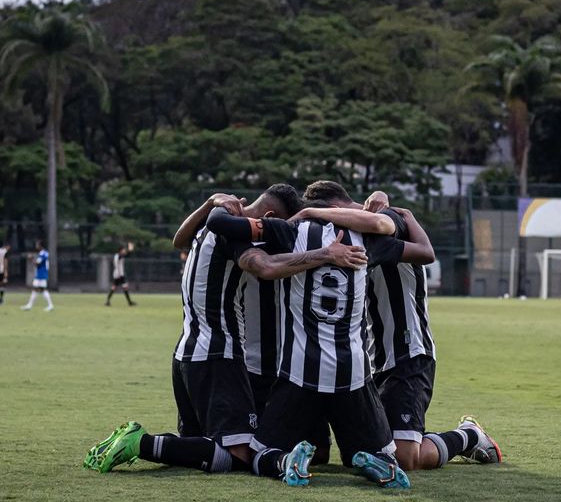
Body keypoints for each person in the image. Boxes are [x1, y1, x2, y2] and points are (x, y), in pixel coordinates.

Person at [84, 185, 368, 476]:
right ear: (267, 217)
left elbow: (178, 239)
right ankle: (140, 443)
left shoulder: (211, 220)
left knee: (198, 445)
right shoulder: (234, 233)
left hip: (186, 353)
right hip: (218, 352)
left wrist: (209, 202)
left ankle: (141, 442)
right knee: (241, 456)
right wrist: (325, 254)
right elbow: (265, 267)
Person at [206, 201, 433, 489]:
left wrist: (218, 201)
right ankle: (381, 463)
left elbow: (219, 223)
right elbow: (423, 251)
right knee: (383, 452)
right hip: (353, 377)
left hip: (300, 374)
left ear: (309, 204)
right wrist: (393, 207)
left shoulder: (289, 231)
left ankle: (284, 462)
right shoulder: (368, 240)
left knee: (259, 453)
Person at [303, 181, 502, 471]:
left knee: (405, 459)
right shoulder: (349, 235)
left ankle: (469, 436)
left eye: (324, 215)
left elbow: (415, 243)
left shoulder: (389, 218)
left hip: (409, 352)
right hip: (373, 359)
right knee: (368, 452)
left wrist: (379, 197)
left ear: (334, 208)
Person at [21, 240, 54, 312]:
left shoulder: (43, 254)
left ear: (40, 246)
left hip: (41, 274)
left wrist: (31, 258)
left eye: (37, 245)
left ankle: (49, 305)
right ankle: (29, 305)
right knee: (38, 289)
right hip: (41, 273)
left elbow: (37, 263)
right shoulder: (44, 253)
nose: (36, 246)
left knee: (40, 289)